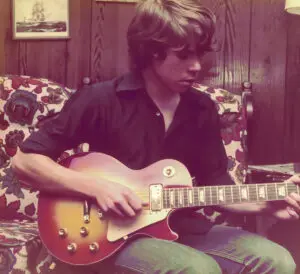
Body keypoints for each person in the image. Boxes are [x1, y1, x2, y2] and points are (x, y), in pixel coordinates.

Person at [12, 0, 299, 273]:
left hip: (178, 226)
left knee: (277, 261)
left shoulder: (202, 109)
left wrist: (265, 203)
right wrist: (95, 187)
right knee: (197, 269)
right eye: (184, 55)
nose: (196, 66)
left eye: (199, 54)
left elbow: (215, 184)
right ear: (151, 52)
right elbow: (26, 162)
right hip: (108, 234)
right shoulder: (100, 99)